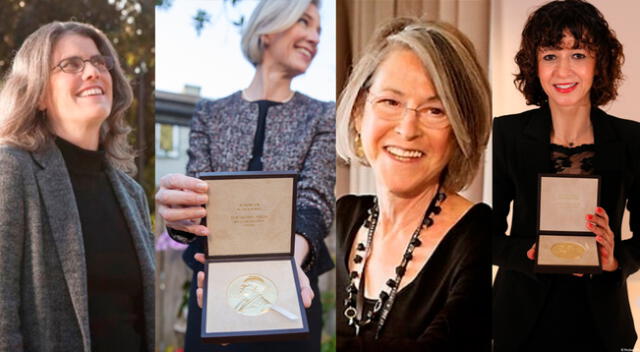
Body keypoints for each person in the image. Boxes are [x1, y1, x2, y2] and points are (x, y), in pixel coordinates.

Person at [155, 0, 335, 351]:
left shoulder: (323, 115)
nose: (314, 37)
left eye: (319, 30)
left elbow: (316, 203)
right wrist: (178, 215)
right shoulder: (210, 113)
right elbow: (195, 206)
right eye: (304, 22)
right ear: (267, 30)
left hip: (294, 285)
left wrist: (287, 268)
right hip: (214, 285)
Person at [335, 17, 492, 351]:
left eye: (435, 110)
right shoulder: (339, 218)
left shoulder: (478, 236)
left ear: (461, 129)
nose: (408, 129)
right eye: (390, 102)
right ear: (360, 112)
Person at [492, 1, 640, 351]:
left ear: (599, 62)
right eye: (550, 55)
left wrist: (616, 259)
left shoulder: (633, 139)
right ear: (534, 64)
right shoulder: (506, 134)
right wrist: (529, 253)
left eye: (578, 54)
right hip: (520, 321)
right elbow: (485, 232)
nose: (563, 71)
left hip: (601, 323)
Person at [0, 21, 154, 351]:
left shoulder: (133, 194)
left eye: (100, 62)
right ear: (39, 93)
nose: (92, 72)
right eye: (71, 64)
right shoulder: (10, 170)